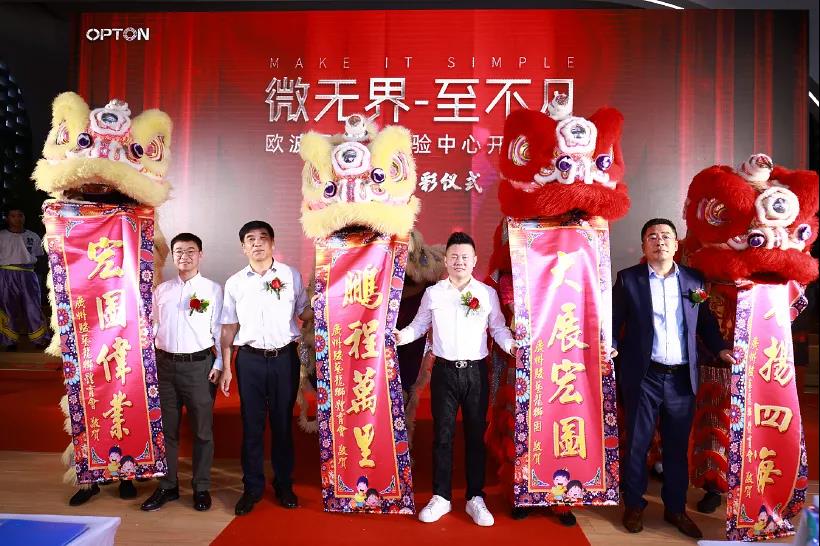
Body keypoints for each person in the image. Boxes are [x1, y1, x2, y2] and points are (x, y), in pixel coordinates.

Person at [613, 218, 734, 539]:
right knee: (637, 444)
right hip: (644, 376)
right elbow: (613, 320)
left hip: (681, 378)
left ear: (676, 244)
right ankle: (634, 505)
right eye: (652, 236)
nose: (660, 241)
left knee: (676, 447)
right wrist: (609, 346)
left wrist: (721, 349)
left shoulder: (694, 280)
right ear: (644, 245)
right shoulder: (629, 279)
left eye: (666, 236)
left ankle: (676, 509)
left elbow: (705, 322)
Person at [396, 232, 516, 527]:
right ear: (446, 261)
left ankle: (475, 497)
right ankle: (441, 497)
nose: (459, 261)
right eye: (454, 257)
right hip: (444, 373)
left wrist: (511, 345)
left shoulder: (486, 293)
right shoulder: (434, 293)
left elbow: (498, 328)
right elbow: (418, 326)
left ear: (474, 260)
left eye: (465, 257)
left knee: (475, 436)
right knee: (443, 436)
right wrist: (400, 336)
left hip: (476, 373)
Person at [220, 220, 311, 516]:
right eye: (251, 239)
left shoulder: (290, 275)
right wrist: (226, 366)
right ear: (243, 247)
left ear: (273, 243)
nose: (257, 243)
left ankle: (284, 484)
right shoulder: (235, 283)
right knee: (252, 425)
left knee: (283, 424)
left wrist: (329, 297)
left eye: (263, 238)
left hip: (284, 358)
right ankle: (252, 488)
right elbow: (229, 326)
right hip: (249, 360)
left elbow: (304, 312)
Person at [140, 233, 223, 512]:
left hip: (199, 367)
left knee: (202, 431)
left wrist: (219, 365)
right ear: (172, 256)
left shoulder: (212, 290)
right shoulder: (161, 291)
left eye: (190, 251)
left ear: (200, 255)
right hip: (164, 367)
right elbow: (151, 328)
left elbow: (219, 330)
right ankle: (168, 486)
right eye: (178, 251)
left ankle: (201, 487)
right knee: (167, 430)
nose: (184, 256)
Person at [0, 208, 50, 350]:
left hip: (28, 274)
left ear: (24, 217)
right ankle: (9, 341)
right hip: (6, 274)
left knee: (33, 306)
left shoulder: (33, 236)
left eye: (20, 215)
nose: (17, 218)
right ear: (7, 218)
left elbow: (39, 256)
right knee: (8, 306)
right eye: (13, 216)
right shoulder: (1, 236)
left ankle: (40, 339)